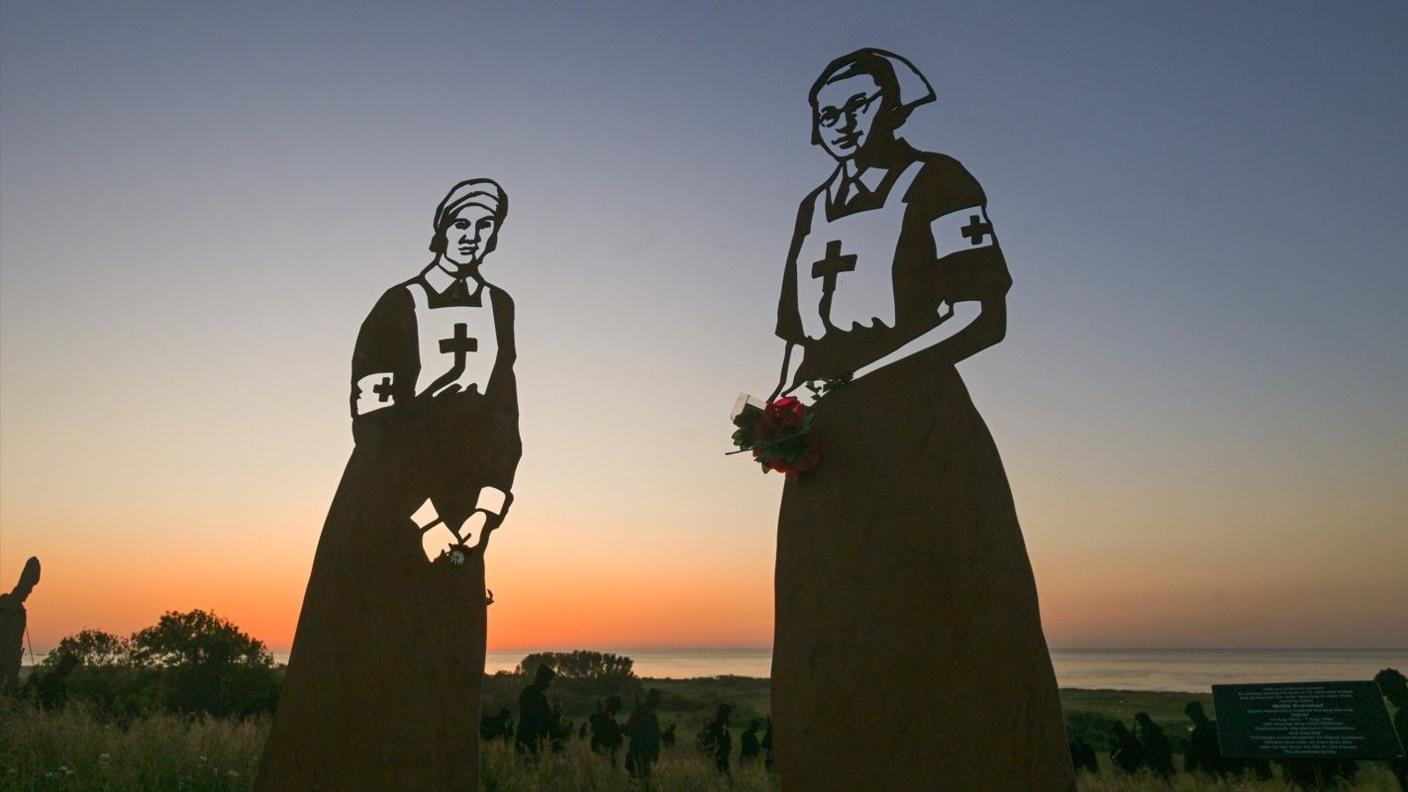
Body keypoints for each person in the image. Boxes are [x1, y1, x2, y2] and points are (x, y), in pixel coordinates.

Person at [764, 48, 1074, 791]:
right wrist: (779, 415)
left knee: (938, 609)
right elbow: (796, 336)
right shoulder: (812, 206)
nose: (842, 124)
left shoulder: (938, 181)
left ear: (896, 107)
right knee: (829, 618)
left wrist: (861, 376)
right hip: (826, 450)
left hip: (921, 434)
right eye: (828, 112)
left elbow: (979, 313)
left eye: (859, 106)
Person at [256, 179, 522, 791]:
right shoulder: (395, 306)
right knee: (365, 662)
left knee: (442, 670)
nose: (471, 238)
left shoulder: (500, 305)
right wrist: (424, 519)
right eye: (462, 224)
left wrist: (485, 509)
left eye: (485, 228)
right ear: (440, 226)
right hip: (383, 502)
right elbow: (374, 425)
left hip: (463, 508)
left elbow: (504, 415)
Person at [0, 557, 40, 692]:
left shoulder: (19, 610)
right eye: (29, 587)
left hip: (11, 666)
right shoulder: (6, 605)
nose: (30, 592)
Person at [516, 664, 556, 757]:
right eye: (547, 681)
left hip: (523, 736)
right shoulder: (539, 698)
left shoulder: (527, 692)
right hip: (532, 739)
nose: (548, 685)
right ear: (542, 680)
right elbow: (546, 719)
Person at [625, 689, 663, 778]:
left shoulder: (639, 713)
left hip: (639, 753)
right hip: (641, 754)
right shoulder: (649, 716)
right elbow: (655, 738)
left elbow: (627, 731)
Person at [1183, 701, 1223, 777]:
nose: (1191, 719)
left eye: (1191, 716)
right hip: (1216, 768)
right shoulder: (1215, 726)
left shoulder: (1198, 732)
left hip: (1213, 768)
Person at [1135, 712, 1175, 778]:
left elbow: (1152, 743)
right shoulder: (1148, 729)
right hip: (1155, 756)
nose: (1140, 723)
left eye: (1140, 720)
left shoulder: (1152, 729)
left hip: (1158, 756)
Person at [589, 695, 625, 765]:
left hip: (607, 753)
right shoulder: (605, 720)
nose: (617, 711)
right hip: (604, 752)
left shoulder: (610, 720)